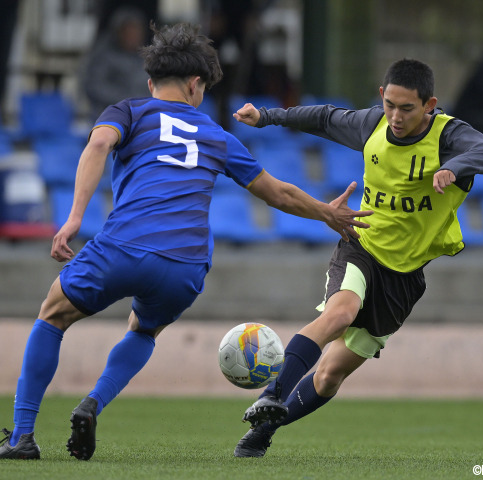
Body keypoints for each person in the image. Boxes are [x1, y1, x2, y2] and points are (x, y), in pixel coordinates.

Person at [0, 22, 371, 461]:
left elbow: (99, 142)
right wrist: (327, 212)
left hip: (124, 245)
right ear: (197, 85)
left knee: (52, 315)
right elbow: (277, 192)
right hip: (185, 266)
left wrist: (74, 218)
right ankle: (93, 403)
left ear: (151, 80)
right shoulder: (217, 135)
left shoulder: (131, 111)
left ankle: (22, 435)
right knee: (145, 329)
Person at [231, 58, 483, 457]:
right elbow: (324, 118)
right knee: (340, 313)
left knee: (328, 376)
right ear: (382, 96)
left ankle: (266, 428)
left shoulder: (449, 136)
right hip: (360, 244)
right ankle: (272, 394)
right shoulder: (373, 124)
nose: (395, 116)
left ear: (430, 104)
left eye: (407, 108)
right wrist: (268, 116)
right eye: (390, 104)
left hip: (405, 275)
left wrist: (454, 167)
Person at [80, 6, 151, 121]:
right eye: (128, 31)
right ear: (119, 32)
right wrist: (128, 100)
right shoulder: (103, 57)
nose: (133, 36)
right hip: (111, 117)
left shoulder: (149, 58)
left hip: (143, 118)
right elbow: (94, 86)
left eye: (136, 31)